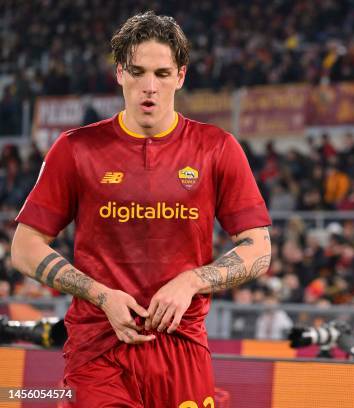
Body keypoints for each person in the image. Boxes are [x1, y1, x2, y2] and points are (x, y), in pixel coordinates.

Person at [11, 11, 271, 407]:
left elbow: (259, 248)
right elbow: (25, 247)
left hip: (182, 347)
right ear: (119, 74)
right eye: (137, 72)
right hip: (99, 348)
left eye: (162, 74)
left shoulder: (217, 148)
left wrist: (191, 282)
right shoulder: (76, 149)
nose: (149, 87)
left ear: (181, 76)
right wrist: (101, 295)